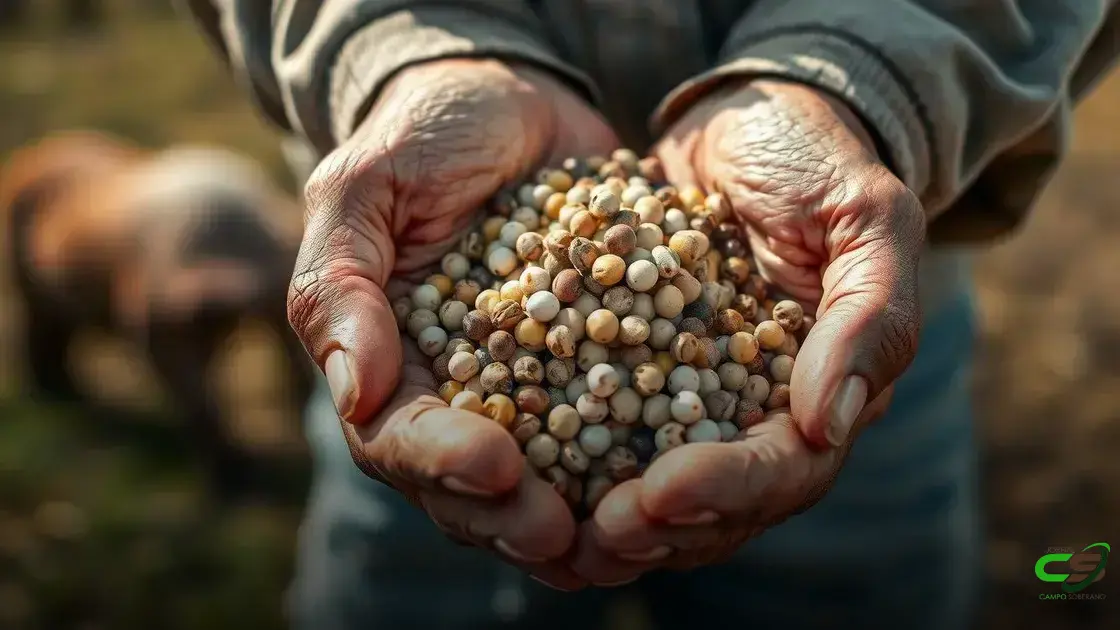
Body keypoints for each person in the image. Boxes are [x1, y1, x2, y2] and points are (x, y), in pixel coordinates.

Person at [181, 2, 1119, 628]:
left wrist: (859, 85)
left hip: (843, 277)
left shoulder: (693, 320)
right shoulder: (516, 322)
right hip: (407, 280)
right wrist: (404, 53)